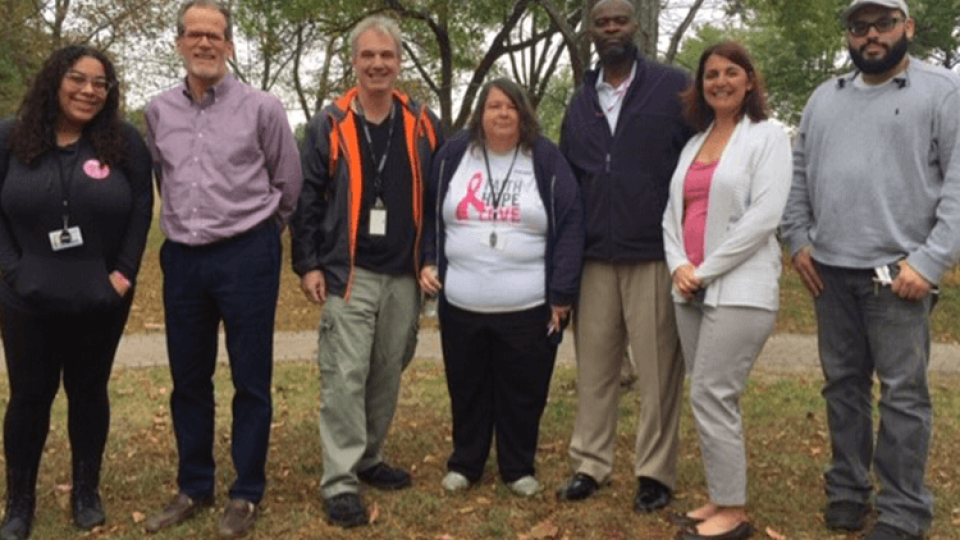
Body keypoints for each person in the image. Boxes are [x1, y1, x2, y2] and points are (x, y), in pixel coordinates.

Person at [781, 1, 960, 539]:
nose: (871, 36)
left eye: (884, 24)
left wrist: (929, 263)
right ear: (850, 36)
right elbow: (798, 175)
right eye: (860, 27)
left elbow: (957, 185)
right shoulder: (823, 98)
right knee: (843, 388)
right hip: (830, 272)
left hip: (899, 276)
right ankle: (848, 490)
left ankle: (904, 511)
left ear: (906, 27)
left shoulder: (942, 92)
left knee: (904, 394)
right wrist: (796, 240)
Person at [142, 0, 303, 536]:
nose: (205, 43)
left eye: (215, 35)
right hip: (183, 258)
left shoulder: (263, 108)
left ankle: (246, 491)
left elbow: (288, 186)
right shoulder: (157, 111)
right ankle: (194, 484)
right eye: (195, 34)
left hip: (246, 256)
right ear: (180, 43)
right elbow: (161, 179)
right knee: (189, 379)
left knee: (250, 377)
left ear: (230, 45)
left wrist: (260, 237)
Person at [290, 15, 442, 529]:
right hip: (348, 273)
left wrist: (430, 258)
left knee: (387, 371)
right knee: (345, 376)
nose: (378, 64)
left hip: (404, 274)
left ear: (400, 62)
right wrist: (308, 263)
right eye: (368, 55)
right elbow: (307, 198)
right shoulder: (330, 123)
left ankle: (369, 457)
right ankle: (340, 481)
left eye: (388, 56)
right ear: (354, 61)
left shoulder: (422, 122)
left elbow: (436, 198)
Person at [0, 45, 153, 540]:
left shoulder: (123, 141)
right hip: (26, 295)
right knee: (29, 397)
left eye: (100, 83)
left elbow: (141, 210)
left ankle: (87, 491)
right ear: (55, 81)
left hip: (100, 297)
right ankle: (19, 503)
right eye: (77, 78)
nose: (89, 90)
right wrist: (11, 270)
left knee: (89, 393)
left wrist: (124, 274)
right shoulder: (10, 136)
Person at [556, 0, 692, 511]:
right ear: (589, 32)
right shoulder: (581, 99)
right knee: (594, 368)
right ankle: (590, 464)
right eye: (601, 22)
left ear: (635, 26)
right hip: (594, 255)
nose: (611, 29)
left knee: (658, 372)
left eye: (620, 20)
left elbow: (699, 160)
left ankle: (654, 473)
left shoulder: (672, 86)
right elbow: (568, 178)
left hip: (653, 251)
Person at [419, 78, 584, 497]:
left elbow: (570, 225)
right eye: (494, 106)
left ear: (524, 113)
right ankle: (466, 463)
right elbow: (430, 213)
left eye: (511, 106)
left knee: (523, 392)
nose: (503, 114)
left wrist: (562, 293)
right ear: (481, 113)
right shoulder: (455, 154)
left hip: (528, 305)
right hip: (462, 303)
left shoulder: (545, 158)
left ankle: (517, 466)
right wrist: (428, 259)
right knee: (467, 387)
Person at [662, 41, 791, 540]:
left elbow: (763, 218)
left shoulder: (768, 138)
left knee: (714, 392)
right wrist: (678, 265)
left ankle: (734, 512)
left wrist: (706, 269)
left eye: (730, 72)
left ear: (750, 80)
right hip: (690, 289)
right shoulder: (694, 144)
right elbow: (672, 215)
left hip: (740, 288)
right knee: (710, 395)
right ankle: (719, 496)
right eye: (710, 74)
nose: (720, 81)